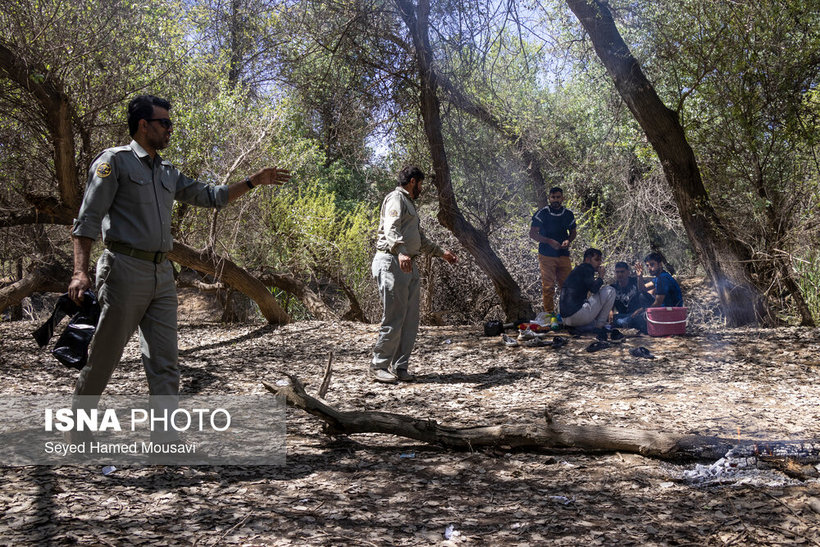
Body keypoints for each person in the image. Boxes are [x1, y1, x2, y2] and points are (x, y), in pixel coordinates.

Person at [67, 94, 290, 442]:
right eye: (164, 123)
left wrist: (252, 181)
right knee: (104, 359)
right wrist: (80, 272)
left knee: (165, 363)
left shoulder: (168, 172)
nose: (171, 129)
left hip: (161, 275)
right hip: (123, 270)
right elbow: (86, 222)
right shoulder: (115, 163)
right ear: (144, 125)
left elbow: (212, 196)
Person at [371, 166, 457, 384]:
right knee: (394, 315)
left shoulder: (410, 204)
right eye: (420, 183)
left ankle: (400, 367)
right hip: (392, 262)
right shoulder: (396, 199)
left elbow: (420, 240)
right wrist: (400, 252)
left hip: (408, 263)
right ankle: (379, 365)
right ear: (412, 182)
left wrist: (442, 253)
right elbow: (391, 229)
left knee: (410, 319)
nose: (422, 188)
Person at [529, 187, 576, 316]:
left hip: (563, 255)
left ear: (562, 198)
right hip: (546, 255)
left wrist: (568, 241)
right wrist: (549, 241)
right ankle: (549, 315)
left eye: (558, 197)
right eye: (553, 197)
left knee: (567, 287)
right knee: (548, 287)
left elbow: (573, 232)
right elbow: (532, 234)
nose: (555, 200)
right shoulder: (542, 213)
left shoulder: (568, 214)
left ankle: (568, 315)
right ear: (549, 198)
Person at [559, 248, 616, 334]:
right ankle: (600, 326)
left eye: (600, 260)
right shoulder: (587, 268)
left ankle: (580, 327)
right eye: (597, 260)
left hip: (566, 319)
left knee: (591, 323)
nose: (599, 263)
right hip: (576, 316)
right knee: (610, 290)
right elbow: (594, 289)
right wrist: (601, 276)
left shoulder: (578, 269)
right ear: (587, 260)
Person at [629, 252, 684, 333]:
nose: (649, 268)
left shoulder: (663, 278)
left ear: (660, 264)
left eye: (652, 264)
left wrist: (644, 311)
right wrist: (639, 276)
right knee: (641, 297)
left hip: (670, 313)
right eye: (647, 266)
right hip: (665, 311)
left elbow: (658, 302)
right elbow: (642, 289)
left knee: (634, 319)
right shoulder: (659, 277)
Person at [609, 261, 652, 329]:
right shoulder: (613, 287)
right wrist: (610, 313)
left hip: (636, 314)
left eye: (622, 272)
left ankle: (627, 324)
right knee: (617, 319)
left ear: (628, 272)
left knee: (641, 317)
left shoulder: (635, 281)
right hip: (622, 316)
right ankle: (626, 324)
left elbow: (644, 294)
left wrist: (639, 276)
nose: (620, 274)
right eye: (617, 272)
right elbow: (610, 305)